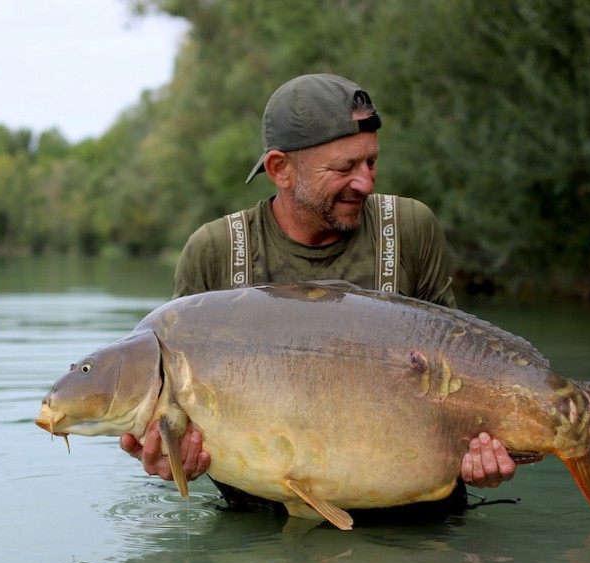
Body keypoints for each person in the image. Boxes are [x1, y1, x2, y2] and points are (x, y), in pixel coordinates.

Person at [120, 73, 516, 520]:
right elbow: (176, 422)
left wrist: (485, 451)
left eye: (370, 163)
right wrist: (168, 456)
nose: (364, 183)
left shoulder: (410, 229)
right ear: (280, 169)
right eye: (344, 169)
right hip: (260, 527)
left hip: (412, 521)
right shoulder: (214, 252)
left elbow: (457, 375)